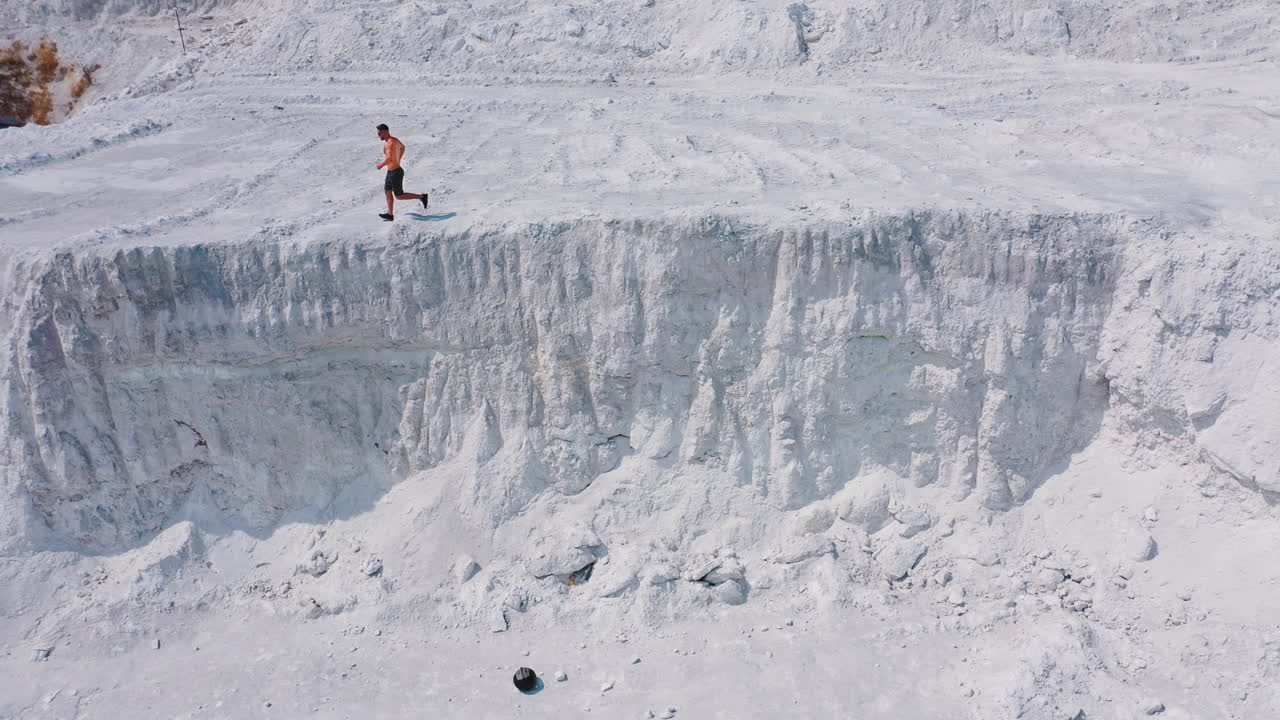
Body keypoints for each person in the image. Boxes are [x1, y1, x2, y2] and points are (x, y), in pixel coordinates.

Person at [375, 123, 428, 221]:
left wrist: (380, 165)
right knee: (387, 191)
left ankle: (422, 196)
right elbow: (403, 147)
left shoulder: (390, 143)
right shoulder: (394, 140)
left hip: (396, 172)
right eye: (378, 133)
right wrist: (398, 158)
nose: (379, 135)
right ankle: (390, 214)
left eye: (380, 133)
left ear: (386, 132)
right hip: (390, 172)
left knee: (399, 196)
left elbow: (389, 159)